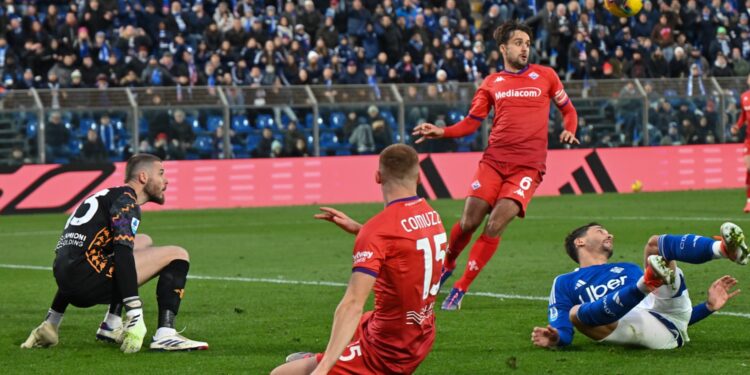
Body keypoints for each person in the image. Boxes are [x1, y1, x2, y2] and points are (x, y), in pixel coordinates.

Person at [412, 20, 579, 310]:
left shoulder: (546, 76)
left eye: (527, 43)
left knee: (495, 224)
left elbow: (568, 110)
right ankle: (448, 264)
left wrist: (570, 129)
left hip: (528, 168)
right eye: (518, 43)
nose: (525, 48)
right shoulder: (491, 84)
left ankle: (461, 288)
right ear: (503, 48)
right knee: (469, 222)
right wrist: (443, 131)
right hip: (493, 162)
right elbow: (471, 123)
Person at [271, 144, 445, 375]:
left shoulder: (379, 230)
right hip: (421, 333)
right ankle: (321, 358)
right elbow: (405, 247)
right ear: (420, 177)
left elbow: (352, 303)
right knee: (364, 322)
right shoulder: (431, 215)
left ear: (377, 177)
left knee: (280, 374)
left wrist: (322, 369)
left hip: (389, 351)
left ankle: (321, 362)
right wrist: (360, 230)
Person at [21, 154, 208, 353]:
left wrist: (52, 320)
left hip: (68, 281)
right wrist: (134, 312)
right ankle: (166, 334)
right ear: (143, 177)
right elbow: (122, 255)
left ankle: (111, 324)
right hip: (88, 282)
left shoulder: (108, 195)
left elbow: (73, 255)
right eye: (161, 173)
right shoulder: (126, 202)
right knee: (178, 254)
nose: (166, 180)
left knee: (144, 240)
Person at [531, 222, 748, 349]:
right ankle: (645, 284)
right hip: (640, 331)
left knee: (654, 245)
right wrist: (556, 338)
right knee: (575, 313)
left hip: (669, 314)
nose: (609, 234)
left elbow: (671, 317)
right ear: (580, 242)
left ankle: (722, 249)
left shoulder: (627, 268)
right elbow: (563, 329)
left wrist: (707, 307)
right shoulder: (564, 282)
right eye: (600, 230)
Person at [730, 73, 750, 213]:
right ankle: (749, 201)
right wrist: (738, 125)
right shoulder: (744, 97)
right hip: (749, 139)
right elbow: (743, 115)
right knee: (749, 168)